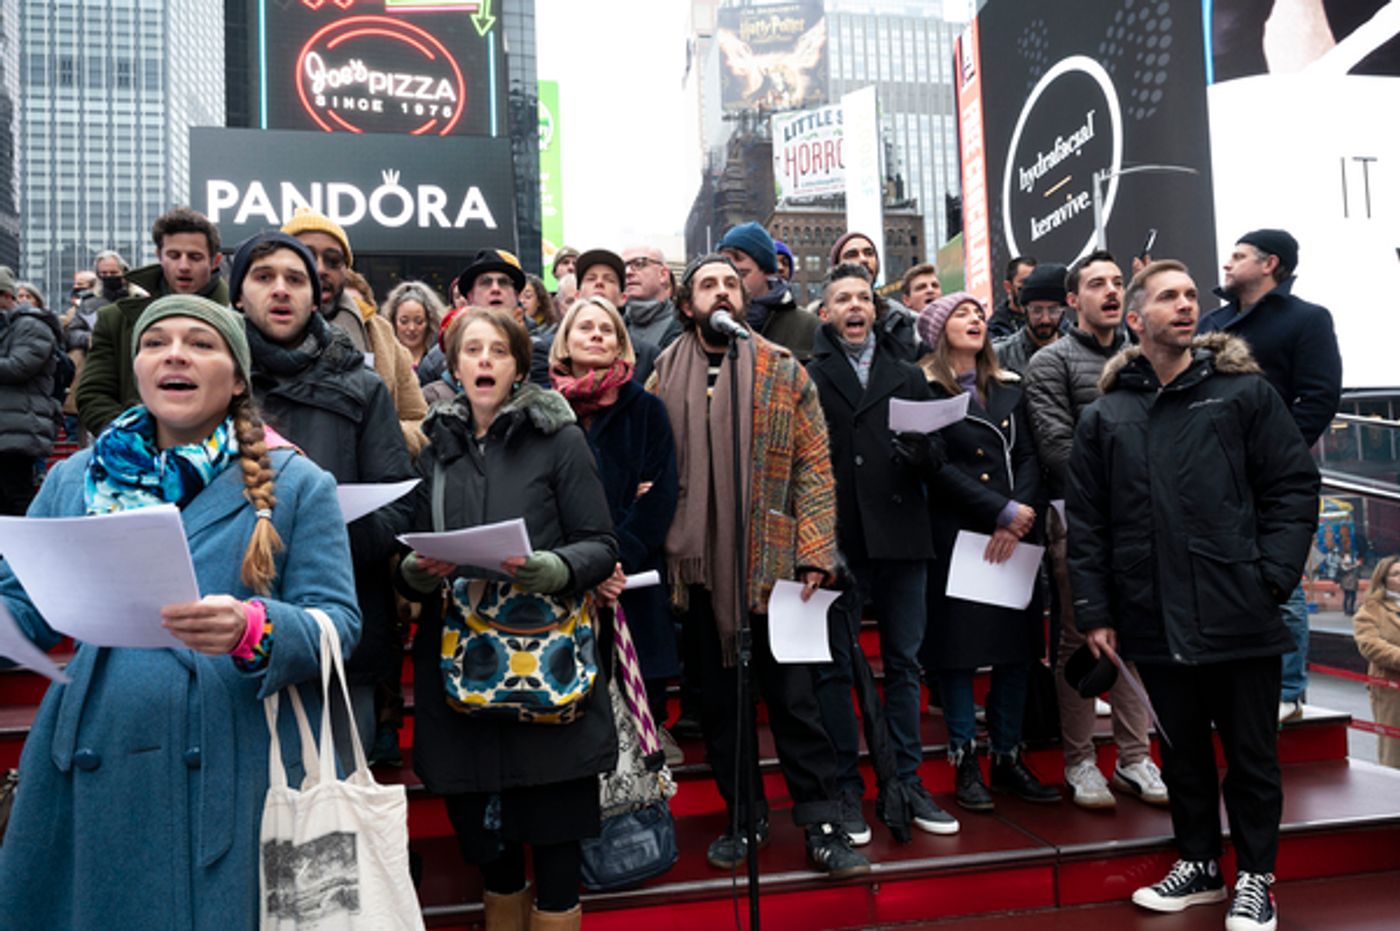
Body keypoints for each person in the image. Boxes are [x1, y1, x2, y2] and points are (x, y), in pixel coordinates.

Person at [0, 293, 361, 930]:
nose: (174, 355)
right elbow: (22, 602)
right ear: (136, 368)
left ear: (239, 377)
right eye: (155, 343)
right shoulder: (74, 478)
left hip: (235, 763)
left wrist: (253, 628)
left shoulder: (299, 483)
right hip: (91, 756)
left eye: (200, 343)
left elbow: (338, 621)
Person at [1068, 260, 1319, 931]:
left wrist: (1271, 577)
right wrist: (1096, 611)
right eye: (1167, 297)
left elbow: (1292, 487)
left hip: (1240, 607)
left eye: (1188, 295)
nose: (1184, 305)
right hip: (1151, 613)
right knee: (1180, 754)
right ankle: (1201, 864)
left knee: (1252, 757)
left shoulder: (1244, 394)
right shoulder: (1106, 414)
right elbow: (1088, 524)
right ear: (1136, 319)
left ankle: (1257, 879)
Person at [397, 306, 618, 930]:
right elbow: (408, 555)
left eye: (499, 350)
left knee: (556, 852)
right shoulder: (435, 448)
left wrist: (554, 567)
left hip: (546, 672)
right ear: (454, 365)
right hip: (463, 673)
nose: (485, 361)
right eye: (472, 350)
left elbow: (601, 544)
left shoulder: (560, 439)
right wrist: (414, 572)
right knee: (489, 855)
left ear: (520, 367)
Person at [648, 253, 869, 878]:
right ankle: (744, 817)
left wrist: (815, 551)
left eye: (729, 283)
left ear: (744, 300)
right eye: (707, 285)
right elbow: (653, 461)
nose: (721, 292)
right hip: (700, 573)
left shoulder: (782, 367)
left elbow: (814, 466)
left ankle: (822, 824)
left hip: (777, 568)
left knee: (796, 704)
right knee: (723, 709)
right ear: (686, 304)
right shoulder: (663, 374)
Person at [230, 230, 417, 768]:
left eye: (295, 279)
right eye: (264, 277)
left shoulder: (363, 386)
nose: (280, 289)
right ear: (238, 295)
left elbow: (399, 505)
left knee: (334, 796)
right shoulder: (214, 380)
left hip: (341, 630)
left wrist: (320, 539)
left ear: (317, 297)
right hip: (233, 628)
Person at [807, 263, 959, 843]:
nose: (855, 306)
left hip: (901, 534)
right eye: (843, 298)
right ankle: (845, 787)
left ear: (875, 310)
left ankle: (907, 782)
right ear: (826, 313)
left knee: (903, 665)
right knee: (834, 670)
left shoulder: (908, 374)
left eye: (863, 298)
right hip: (838, 540)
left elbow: (938, 454)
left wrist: (923, 454)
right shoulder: (810, 375)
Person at [1022, 251, 1164, 811]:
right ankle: (1080, 760)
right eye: (1097, 283)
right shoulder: (1050, 362)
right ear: (1071, 300)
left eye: (1118, 282)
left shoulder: (1146, 357)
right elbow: (1058, 450)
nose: (1110, 291)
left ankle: (1135, 757)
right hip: (1077, 519)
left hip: (1143, 521)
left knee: (1136, 639)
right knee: (1079, 638)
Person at [914, 291, 1059, 812]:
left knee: (1016, 651)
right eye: (961, 313)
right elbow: (934, 466)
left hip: (1015, 534)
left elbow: (1031, 457)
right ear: (938, 330)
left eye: (979, 313)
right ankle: (965, 760)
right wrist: (998, 511)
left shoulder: (1009, 386)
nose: (975, 319)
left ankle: (1007, 756)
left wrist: (1019, 516)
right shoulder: (924, 388)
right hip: (958, 535)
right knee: (958, 655)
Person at [1199, 228, 1341, 723]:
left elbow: (1320, 396)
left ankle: (1287, 691)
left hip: (1275, 476)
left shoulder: (1307, 319)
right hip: (1211, 472)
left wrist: (1276, 453)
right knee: (1219, 574)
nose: (1227, 263)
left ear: (1269, 263)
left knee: (1283, 578)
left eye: (1238, 255)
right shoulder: (1211, 322)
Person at [547, 295, 682, 763]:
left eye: (607, 329)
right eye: (585, 327)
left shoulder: (646, 409)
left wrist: (611, 561)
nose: (597, 335)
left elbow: (661, 493)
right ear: (565, 341)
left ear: (621, 343)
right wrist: (580, 565)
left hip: (630, 577)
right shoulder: (542, 408)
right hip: (562, 575)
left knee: (638, 707)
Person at [281, 209, 428, 458]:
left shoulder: (381, 335)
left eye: (333, 261)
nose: (320, 269)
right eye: (306, 256)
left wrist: (382, 436)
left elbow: (420, 422)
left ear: (345, 271)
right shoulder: (247, 332)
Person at [75, 207, 227, 437]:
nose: (184, 266)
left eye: (195, 257)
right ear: (159, 255)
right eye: (174, 255)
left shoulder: (239, 322)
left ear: (215, 261)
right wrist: (135, 441)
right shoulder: (115, 320)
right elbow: (93, 394)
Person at [0, 266, 62, 514]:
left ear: (7, 296)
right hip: (9, 425)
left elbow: (19, 367)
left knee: (17, 497)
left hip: (19, 428)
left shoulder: (32, 326)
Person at [718, 222, 818, 361]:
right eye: (725, 275)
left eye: (742, 274)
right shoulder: (710, 326)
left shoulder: (808, 327)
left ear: (767, 271)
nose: (731, 284)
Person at [828, 230, 918, 359]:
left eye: (869, 253)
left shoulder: (901, 318)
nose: (863, 259)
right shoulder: (815, 321)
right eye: (852, 255)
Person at [1353, 555, 1400, 768]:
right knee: (1394, 751)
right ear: (1383, 580)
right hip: (1391, 690)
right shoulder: (1371, 609)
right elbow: (1370, 645)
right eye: (1396, 574)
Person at [992, 263, 1066, 376]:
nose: (1045, 319)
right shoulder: (999, 355)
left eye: (1053, 311)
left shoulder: (1079, 353)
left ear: (1064, 310)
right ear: (1023, 309)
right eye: (1037, 310)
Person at [621, 244, 683, 350]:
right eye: (623, 268)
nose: (628, 272)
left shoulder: (690, 328)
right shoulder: (611, 324)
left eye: (639, 264)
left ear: (663, 274)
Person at [383, 280, 446, 370]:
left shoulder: (441, 359)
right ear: (393, 322)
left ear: (429, 322)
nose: (411, 328)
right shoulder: (384, 359)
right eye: (404, 321)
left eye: (419, 321)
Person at [987, 256, 1036, 340]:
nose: (1030, 289)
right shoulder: (995, 328)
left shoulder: (1050, 317)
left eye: (1035, 282)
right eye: (1024, 282)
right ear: (1008, 286)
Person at [1338, 549, 1361, 615]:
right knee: (1349, 596)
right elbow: (1346, 569)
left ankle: (1349, 609)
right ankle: (1348, 610)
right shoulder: (1344, 562)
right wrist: (1355, 565)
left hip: (1351, 581)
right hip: (1348, 581)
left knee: (1350, 596)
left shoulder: (1351, 561)